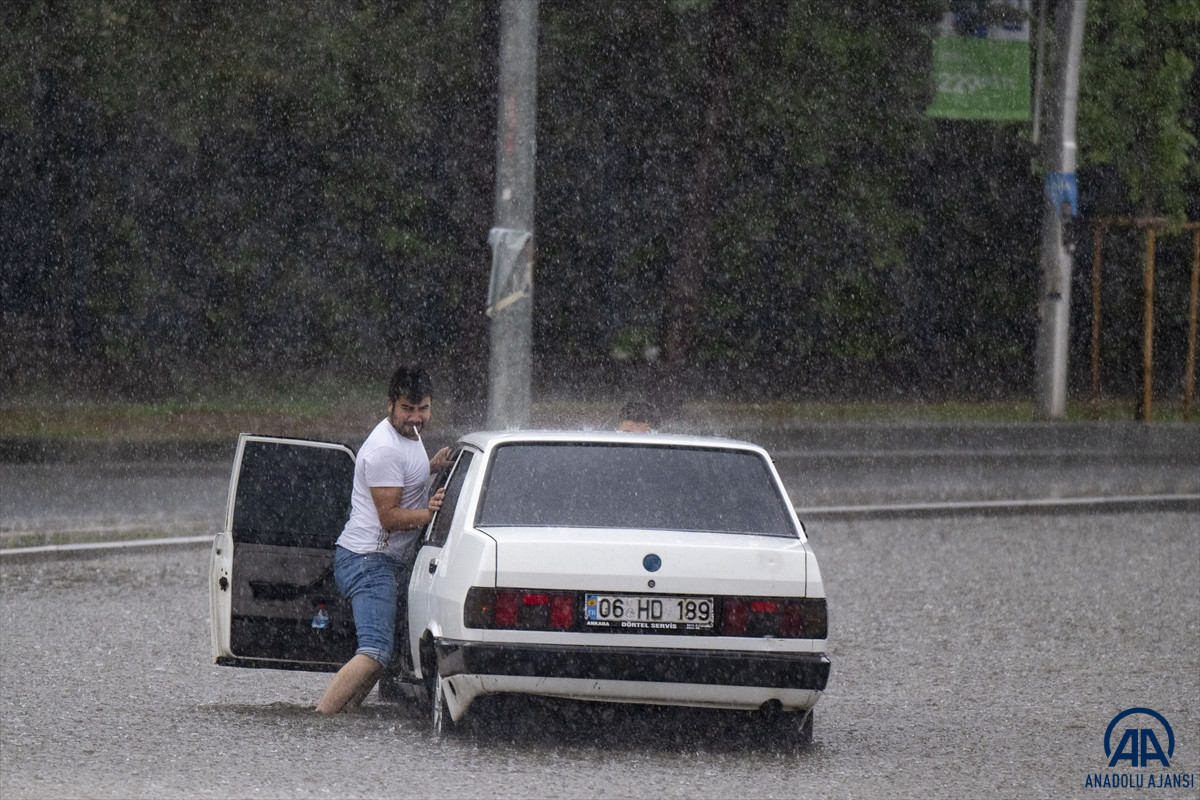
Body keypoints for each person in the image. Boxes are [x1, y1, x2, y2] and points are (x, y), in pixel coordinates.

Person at [316, 366, 453, 714]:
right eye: (408, 408)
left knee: (382, 655)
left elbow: (407, 477)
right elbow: (389, 517)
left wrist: (431, 466)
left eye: (423, 408)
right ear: (390, 404)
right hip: (367, 560)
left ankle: (344, 715)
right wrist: (430, 512)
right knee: (375, 652)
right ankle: (318, 721)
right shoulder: (384, 450)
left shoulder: (410, 437)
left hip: (380, 561)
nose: (416, 417)